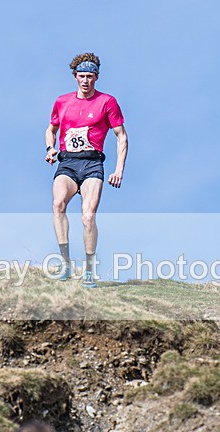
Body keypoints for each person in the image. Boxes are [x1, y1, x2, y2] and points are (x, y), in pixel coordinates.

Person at [45, 52, 128, 289]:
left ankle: (89, 270)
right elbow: (50, 129)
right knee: (58, 204)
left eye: (90, 77)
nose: (85, 81)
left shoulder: (107, 102)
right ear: (74, 77)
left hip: (93, 164)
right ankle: (66, 263)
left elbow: (121, 136)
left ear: (96, 77)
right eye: (81, 76)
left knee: (88, 216)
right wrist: (50, 148)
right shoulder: (62, 101)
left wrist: (118, 169)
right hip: (68, 163)